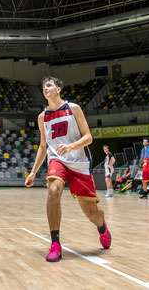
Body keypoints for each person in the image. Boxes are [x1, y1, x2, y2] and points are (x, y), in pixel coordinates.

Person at [25, 76, 111, 263]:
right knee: (53, 189)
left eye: (49, 85)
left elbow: (88, 137)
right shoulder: (42, 117)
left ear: (58, 88)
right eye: (43, 86)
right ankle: (55, 243)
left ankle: (102, 226)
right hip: (57, 160)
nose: (45, 88)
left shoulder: (73, 109)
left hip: (78, 162)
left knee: (91, 213)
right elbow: (42, 146)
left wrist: (72, 147)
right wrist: (33, 171)